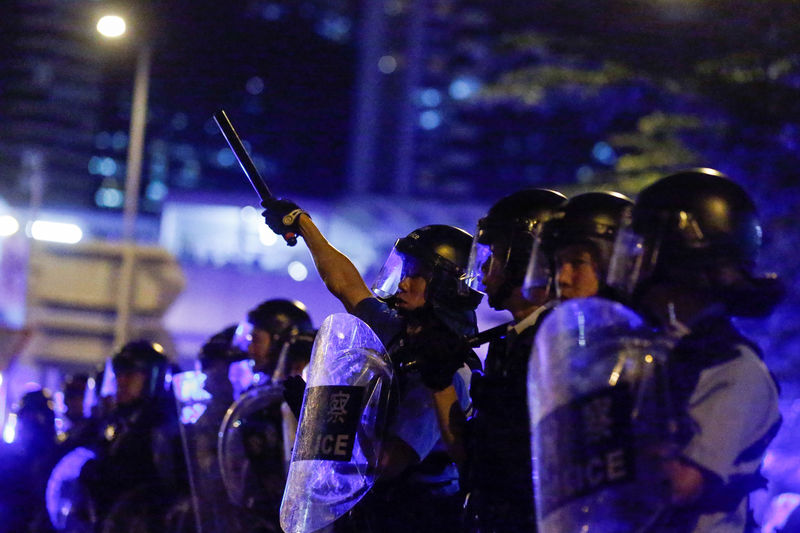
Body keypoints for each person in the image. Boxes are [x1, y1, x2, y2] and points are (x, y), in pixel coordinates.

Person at [261, 198, 482, 532]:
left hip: (418, 520)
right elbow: (346, 285)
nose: (404, 283)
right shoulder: (400, 331)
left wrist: (319, 424)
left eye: (418, 276)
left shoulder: (447, 368)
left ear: (447, 285)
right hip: (373, 515)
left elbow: (388, 462)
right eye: (405, 271)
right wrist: (302, 223)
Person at [606, 168, 783, 532]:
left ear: (679, 257)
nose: (633, 263)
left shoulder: (735, 369)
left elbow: (679, 484)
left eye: (645, 248)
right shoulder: (660, 350)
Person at [458, 188, 566, 532]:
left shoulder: (556, 341)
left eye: (497, 256)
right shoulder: (511, 340)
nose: (486, 270)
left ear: (524, 259)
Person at [221, 299, 316, 532]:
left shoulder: (304, 397)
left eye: (257, 340)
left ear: (279, 342)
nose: (250, 350)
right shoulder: (258, 399)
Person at [78, 340, 187, 533]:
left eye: (130, 374)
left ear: (152, 378)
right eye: (119, 374)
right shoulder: (119, 423)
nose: (121, 381)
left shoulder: (162, 427)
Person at [528, 190, 633, 301]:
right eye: (558, 264)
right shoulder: (552, 317)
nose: (562, 279)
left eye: (578, 262)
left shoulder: (637, 319)